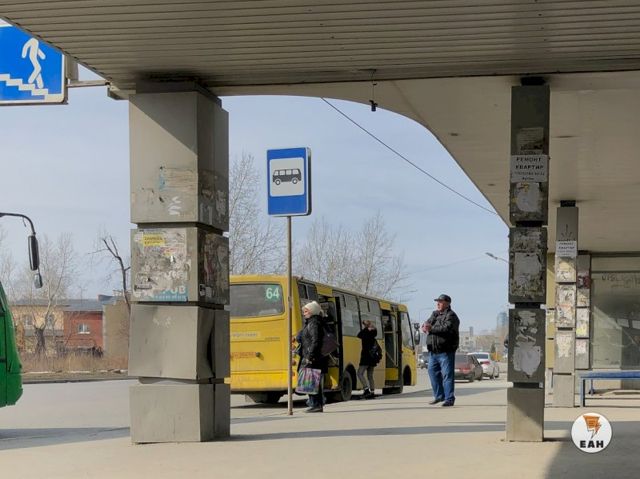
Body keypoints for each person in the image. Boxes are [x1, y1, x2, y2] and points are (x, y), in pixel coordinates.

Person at [422, 294, 460, 407]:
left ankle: (449, 399)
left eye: (440, 302)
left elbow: (446, 329)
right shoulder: (434, 314)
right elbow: (427, 323)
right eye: (437, 302)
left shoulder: (451, 316)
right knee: (432, 373)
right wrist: (424, 326)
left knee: (447, 376)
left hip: (446, 351)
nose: (438, 304)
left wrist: (431, 328)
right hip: (433, 352)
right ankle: (439, 396)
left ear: (447, 303)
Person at [300, 301, 329, 412]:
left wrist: (310, 356)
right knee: (311, 381)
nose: (304, 313)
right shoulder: (312, 322)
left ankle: (316, 405)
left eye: (306, 311)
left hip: (313, 357)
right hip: (314, 356)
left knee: (311, 381)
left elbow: (315, 341)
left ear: (312, 311)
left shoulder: (314, 323)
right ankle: (316, 404)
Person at [357, 319, 378, 399]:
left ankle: (366, 390)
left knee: (359, 373)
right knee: (370, 376)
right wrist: (371, 328)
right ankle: (372, 392)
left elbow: (359, 335)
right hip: (372, 358)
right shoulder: (374, 333)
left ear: (366, 325)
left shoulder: (365, 333)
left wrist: (366, 329)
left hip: (366, 357)